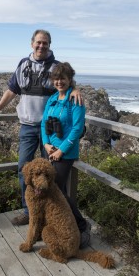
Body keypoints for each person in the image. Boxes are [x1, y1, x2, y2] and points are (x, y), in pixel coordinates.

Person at [0, 29, 90, 247]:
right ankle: (30, 212)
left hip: (52, 132)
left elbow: (63, 81)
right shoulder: (23, 65)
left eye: (45, 43)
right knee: (24, 170)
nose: (41, 46)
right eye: (38, 43)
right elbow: (11, 91)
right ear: (32, 43)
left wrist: (75, 88)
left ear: (49, 45)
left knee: (52, 180)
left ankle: (61, 219)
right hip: (29, 127)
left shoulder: (55, 66)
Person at [41, 62, 91, 248]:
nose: (59, 81)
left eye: (63, 78)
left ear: (70, 80)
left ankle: (81, 224)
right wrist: (46, 144)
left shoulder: (75, 100)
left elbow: (77, 129)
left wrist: (61, 150)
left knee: (55, 188)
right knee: (53, 188)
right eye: (56, 78)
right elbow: (43, 123)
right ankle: (62, 223)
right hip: (51, 150)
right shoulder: (52, 99)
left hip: (66, 152)